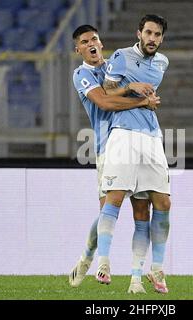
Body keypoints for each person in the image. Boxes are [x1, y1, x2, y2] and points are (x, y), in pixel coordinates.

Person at [68, 25, 160, 292]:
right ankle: (88, 256)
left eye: (94, 38)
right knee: (109, 208)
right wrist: (139, 101)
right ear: (79, 50)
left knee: (142, 208)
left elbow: (132, 91)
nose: (92, 44)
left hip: (135, 141)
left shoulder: (116, 65)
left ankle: (135, 275)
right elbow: (105, 102)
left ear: (101, 42)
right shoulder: (82, 74)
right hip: (107, 145)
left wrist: (142, 93)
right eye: (85, 42)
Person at [96, 14, 171, 294]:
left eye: (158, 35)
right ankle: (103, 263)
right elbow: (106, 97)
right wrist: (135, 92)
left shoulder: (163, 62)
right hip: (123, 134)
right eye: (148, 33)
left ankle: (148, 273)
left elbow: (149, 100)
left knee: (158, 204)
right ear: (139, 33)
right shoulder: (121, 57)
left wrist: (147, 102)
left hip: (151, 137)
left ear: (162, 38)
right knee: (115, 197)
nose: (152, 38)